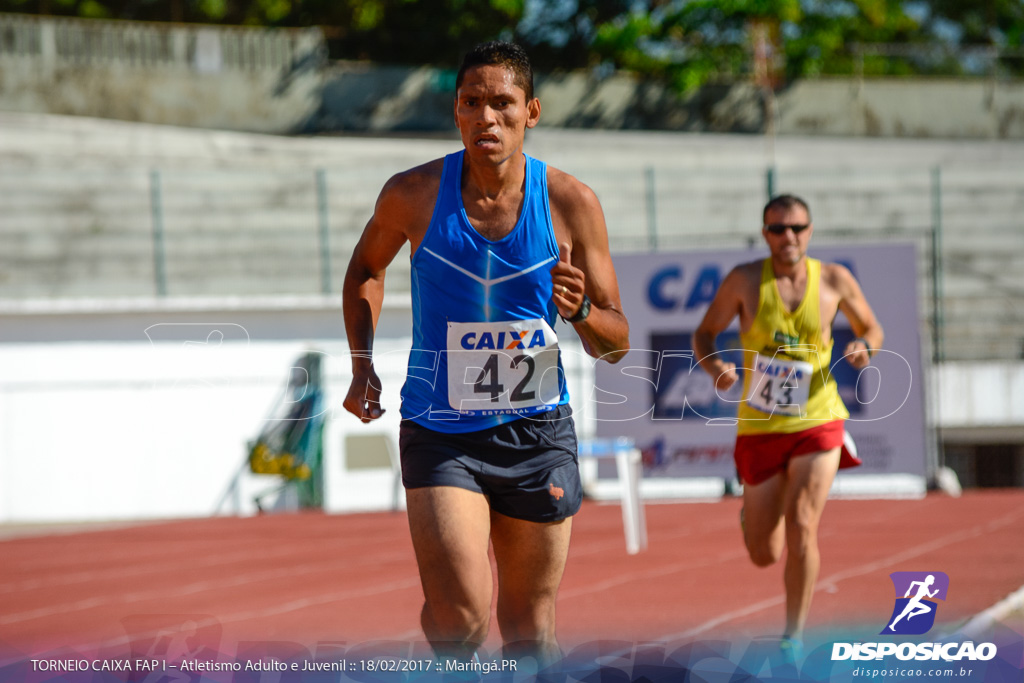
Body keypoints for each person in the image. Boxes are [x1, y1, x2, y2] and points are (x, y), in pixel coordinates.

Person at [341, 41, 629, 667]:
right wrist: (362, 364)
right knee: (463, 617)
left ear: (532, 111)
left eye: (502, 103)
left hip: (536, 433)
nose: (486, 117)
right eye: (472, 103)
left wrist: (579, 311)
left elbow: (617, 342)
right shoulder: (413, 194)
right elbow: (365, 267)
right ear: (456, 113)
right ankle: (445, 624)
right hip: (442, 431)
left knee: (529, 627)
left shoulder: (570, 203)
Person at [692, 194, 883, 652]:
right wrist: (716, 367)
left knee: (803, 524)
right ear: (765, 235)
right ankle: (752, 519)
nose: (788, 237)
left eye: (796, 228)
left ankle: (792, 638)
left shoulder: (834, 279)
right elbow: (704, 333)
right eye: (777, 229)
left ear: (810, 231)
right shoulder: (743, 281)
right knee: (765, 553)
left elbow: (872, 327)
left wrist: (864, 347)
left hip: (818, 418)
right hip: (760, 426)